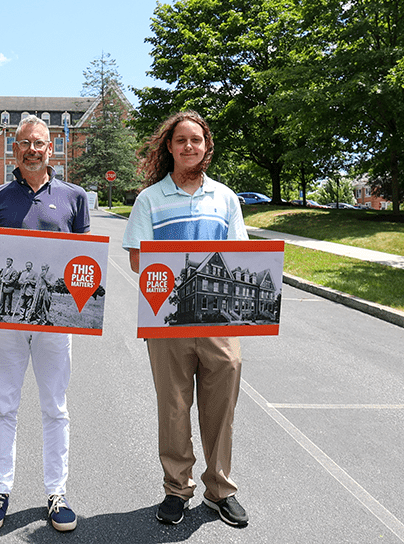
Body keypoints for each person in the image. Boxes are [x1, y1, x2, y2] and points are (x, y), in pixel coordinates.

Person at [122, 110, 250, 528]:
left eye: (196, 140)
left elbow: (237, 256)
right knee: (174, 407)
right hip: (167, 320)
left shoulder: (226, 198)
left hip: (218, 323)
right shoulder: (150, 200)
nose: (189, 146)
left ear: (206, 147)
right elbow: (140, 258)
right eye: (181, 140)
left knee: (221, 404)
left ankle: (220, 490)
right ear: (170, 147)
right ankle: (177, 489)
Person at [0, 115, 90, 533]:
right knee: (4, 405)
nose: (31, 149)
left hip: (52, 322)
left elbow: (84, 262)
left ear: (51, 147)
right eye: (23, 143)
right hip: (6, 321)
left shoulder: (75, 198)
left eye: (39, 143)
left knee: (55, 408)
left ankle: (56, 493)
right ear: (14, 149)